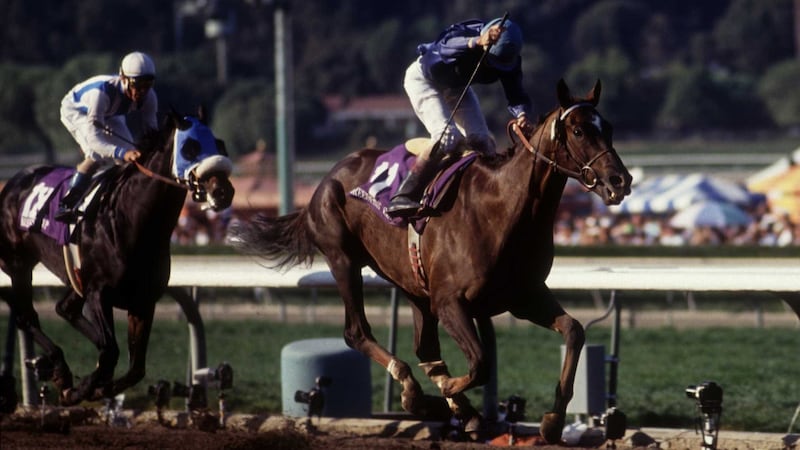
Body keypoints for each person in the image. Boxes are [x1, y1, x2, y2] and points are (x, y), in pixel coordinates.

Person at [386, 17, 534, 217]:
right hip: (424, 80)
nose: (495, 68)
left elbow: (516, 94)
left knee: (485, 143)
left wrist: (522, 114)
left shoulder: (509, 60)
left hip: (456, 88)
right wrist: (475, 42)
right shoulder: (467, 33)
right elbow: (443, 46)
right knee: (447, 137)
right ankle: (404, 194)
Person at [56, 51, 158, 223]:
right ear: (123, 78)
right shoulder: (101, 93)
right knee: (97, 154)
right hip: (77, 110)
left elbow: (152, 132)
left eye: (147, 84)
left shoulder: (150, 97)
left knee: (130, 157)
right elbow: (96, 141)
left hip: (110, 113)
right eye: (137, 84)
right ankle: (68, 203)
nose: (141, 91)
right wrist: (122, 153)